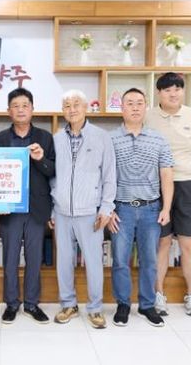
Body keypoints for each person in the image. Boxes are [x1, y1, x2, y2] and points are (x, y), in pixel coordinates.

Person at [145, 72, 191, 317]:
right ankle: (158, 294)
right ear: (159, 93)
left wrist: (185, 169)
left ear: (183, 91)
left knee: (188, 243)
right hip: (156, 186)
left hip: (188, 184)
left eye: (177, 89)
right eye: (167, 90)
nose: (173, 94)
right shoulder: (148, 116)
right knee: (161, 242)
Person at [49, 89, 116, 329]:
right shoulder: (56, 139)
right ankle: (68, 304)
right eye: (67, 105)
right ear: (62, 110)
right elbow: (52, 177)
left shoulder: (101, 137)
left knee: (94, 262)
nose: (72, 109)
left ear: (86, 107)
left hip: (91, 212)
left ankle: (95, 308)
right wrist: (52, 209)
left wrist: (106, 208)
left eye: (76, 104)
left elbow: (109, 175)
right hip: (62, 212)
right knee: (63, 261)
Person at [109, 88, 174, 327]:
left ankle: (147, 305)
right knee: (120, 260)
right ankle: (123, 304)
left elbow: (166, 175)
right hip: (121, 210)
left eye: (139, 103)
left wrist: (166, 208)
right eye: (130, 103)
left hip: (151, 209)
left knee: (149, 260)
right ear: (121, 108)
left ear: (146, 107)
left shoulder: (158, 139)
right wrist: (108, 210)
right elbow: (103, 177)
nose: (135, 107)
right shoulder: (110, 139)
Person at [0, 88, 55, 324]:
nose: (20, 110)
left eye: (25, 105)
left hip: (37, 208)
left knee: (34, 258)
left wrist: (40, 159)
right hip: (10, 208)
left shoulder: (45, 137)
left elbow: (53, 170)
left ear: (32, 109)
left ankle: (31, 304)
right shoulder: (0, 139)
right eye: (15, 106)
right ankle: (11, 303)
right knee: (10, 258)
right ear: (8, 111)